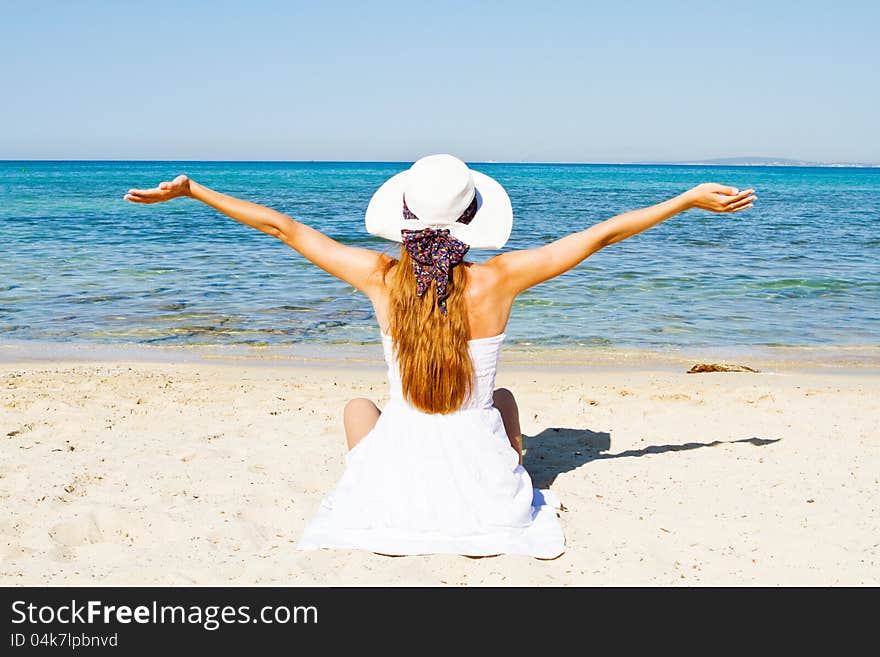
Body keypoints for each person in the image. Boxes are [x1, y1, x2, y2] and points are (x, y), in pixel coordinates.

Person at [124, 154, 755, 558]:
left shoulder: (379, 276)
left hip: (393, 490)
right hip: (487, 496)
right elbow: (602, 234)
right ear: (472, 217)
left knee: (357, 406)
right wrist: (686, 198)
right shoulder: (501, 278)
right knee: (501, 400)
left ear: (402, 215)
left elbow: (283, 228)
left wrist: (196, 192)